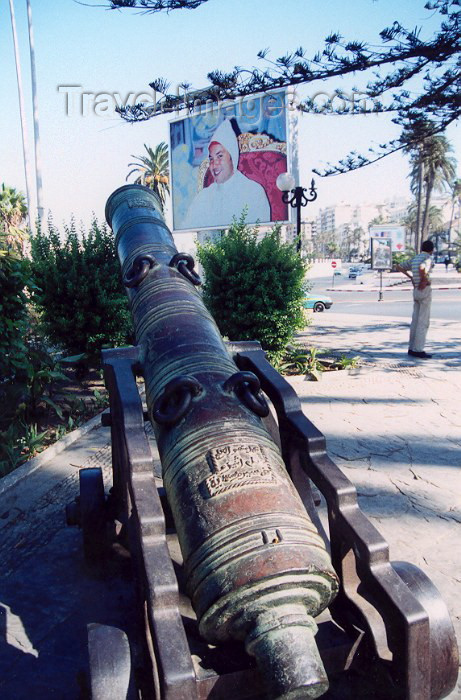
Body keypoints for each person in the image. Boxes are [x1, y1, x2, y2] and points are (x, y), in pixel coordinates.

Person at [181, 118, 270, 229]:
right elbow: (188, 229)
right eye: (211, 159)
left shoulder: (254, 192)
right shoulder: (203, 197)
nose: (214, 164)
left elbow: (262, 233)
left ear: (232, 157)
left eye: (220, 156)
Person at [397, 240, 434, 359]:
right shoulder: (427, 258)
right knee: (423, 321)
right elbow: (422, 268)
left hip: (416, 291)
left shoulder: (416, 258)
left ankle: (411, 347)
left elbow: (399, 266)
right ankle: (418, 349)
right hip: (424, 290)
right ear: (431, 250)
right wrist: (424, 280)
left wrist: (411, 278)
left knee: (415, 320)